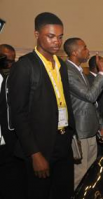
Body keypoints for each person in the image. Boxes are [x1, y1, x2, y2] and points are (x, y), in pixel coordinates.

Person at [8, 12, 75, 198]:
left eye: (60, 37)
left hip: (63, 141)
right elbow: (18, 114)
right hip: (40, 145)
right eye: (51, 36)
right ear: (37, 34)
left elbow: (64, 101)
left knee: (64, 192)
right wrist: (34, 154)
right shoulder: (24, 66)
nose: (57, 42)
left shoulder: (61, 64)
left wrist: (71, 135)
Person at [64, 37, 103, 189]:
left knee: (90, 173)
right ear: (75, 52)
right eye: (85, 48)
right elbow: (90, 96)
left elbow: (91, 103)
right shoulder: (68, 71)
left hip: (90, 127)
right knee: (80, 175)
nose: (88, 51)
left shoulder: (79, 70)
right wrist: (102, 73)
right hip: (80, 131)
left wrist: (99, 125)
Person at [0, 50, 27, 199]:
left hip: (9, 146)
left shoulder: (9, 80)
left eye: (11, 61)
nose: (9, 65)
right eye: (7, 61)